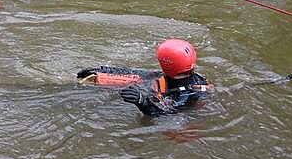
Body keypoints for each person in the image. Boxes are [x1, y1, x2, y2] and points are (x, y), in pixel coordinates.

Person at [76, 39, 210, 116]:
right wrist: (102, 70)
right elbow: (134, 73)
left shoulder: (190, 93)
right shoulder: (168, 76)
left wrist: (142, 102)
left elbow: (168, 114)